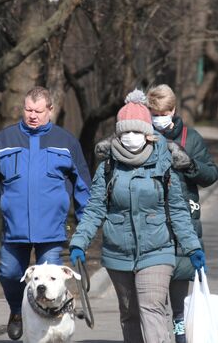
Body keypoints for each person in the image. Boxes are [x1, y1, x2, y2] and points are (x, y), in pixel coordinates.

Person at [69, 90, 206, 343]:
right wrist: (79, 241)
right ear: (118, 133)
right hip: (118, 254)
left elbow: (177, 211)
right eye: (125, 132)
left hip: (157, 251)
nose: (130, 137)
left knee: (152, 309)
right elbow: (95, 208)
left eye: (136, 131)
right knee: (129, 314)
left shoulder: (165, 164)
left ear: (148, 133)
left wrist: (192, 247)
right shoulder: (108, 166)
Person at [0, 86, 91, 341]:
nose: (32, 115)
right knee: (9, 273)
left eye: (38, 111)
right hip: (15, 227)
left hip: (52, 227)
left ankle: (51, 328)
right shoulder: (2, 141)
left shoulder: (66, 141)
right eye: (28, 110)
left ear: (50, 110)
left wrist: (86, 219)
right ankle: (17, 311)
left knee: (52, 281)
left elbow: (82, 183)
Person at [146, 84, 218, 343]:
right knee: (151, 290)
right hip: (150, 218)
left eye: (164, 112)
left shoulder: (191, 138)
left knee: (179, 283)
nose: (159, 118)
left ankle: (179, 329)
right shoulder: (142, 135)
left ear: (173, 110)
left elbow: (211, 174)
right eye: (154, 112)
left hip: (183, 219)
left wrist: (189, 164)